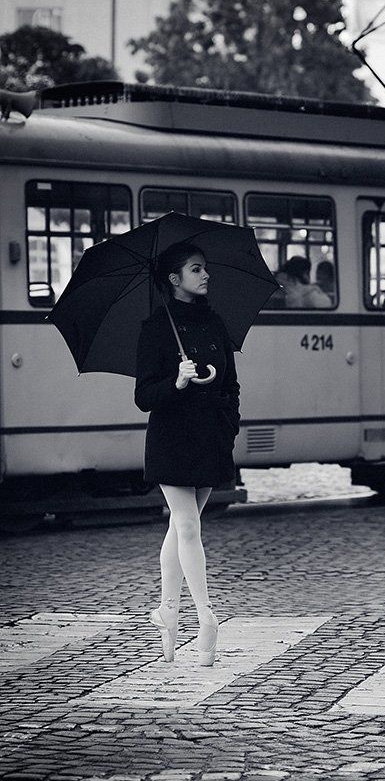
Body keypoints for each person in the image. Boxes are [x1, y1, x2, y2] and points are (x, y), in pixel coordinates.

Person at [135, 242, 241, 667]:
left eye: (205, 268)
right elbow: (144, 396)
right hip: (173, 439)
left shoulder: (215, 323)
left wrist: (229, 426)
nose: (206, 275)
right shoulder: (156, 328)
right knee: (187, 525)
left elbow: (231, 384)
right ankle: (205, 615)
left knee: (179, 530)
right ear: (174, 279)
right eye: (196, 269)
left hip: (211, 438)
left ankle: (167, 612)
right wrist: (176, 383)